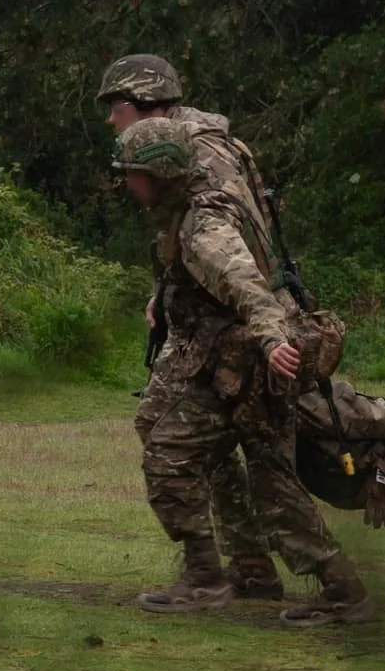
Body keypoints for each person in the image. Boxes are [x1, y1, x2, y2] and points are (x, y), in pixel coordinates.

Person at [114, 117, 375, 626]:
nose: (128, 184)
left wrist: (275, 340)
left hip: (248, 368)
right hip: (237, 367)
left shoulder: (204, 227)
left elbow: (247, 285)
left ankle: (208, 577)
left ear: (163, 173)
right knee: (270, 480)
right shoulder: (186, 210)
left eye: (134, 173)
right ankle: (332, 585)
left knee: (173, 460)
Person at [96, 54, 285, 600]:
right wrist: (167, 290)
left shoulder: (198, 150)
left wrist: (257, 319)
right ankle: (246, 565)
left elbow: (226, 237)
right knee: (172, 432)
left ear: (140, 105)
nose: (113, 121)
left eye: (117, 109)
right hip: (208, 314)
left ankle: (219, 569)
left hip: (226, 323)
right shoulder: (196, 142)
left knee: (182, 442)